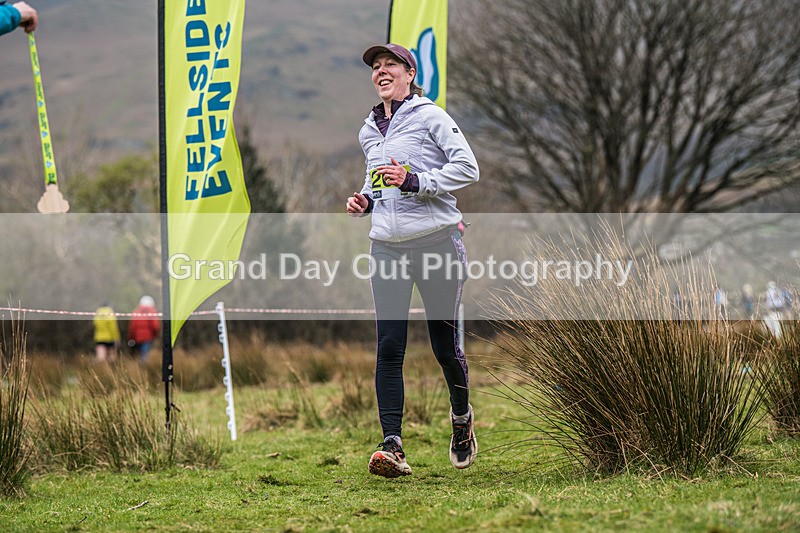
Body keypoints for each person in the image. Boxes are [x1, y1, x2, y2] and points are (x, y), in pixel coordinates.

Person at [346, 43, 480, 478]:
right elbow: (378, 180)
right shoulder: (369, 129)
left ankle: (461, 420)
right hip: (387, 247)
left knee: (444, 347)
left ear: (410, 74)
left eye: (391, 65)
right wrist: (366, 200)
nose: (381, 71)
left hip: (436, 243)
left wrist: (417, 181)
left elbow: (468, 168)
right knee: (389, 346)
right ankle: (392, 446)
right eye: (376, 66)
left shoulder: (430, 116)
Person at [127, 295, 160, 363]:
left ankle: (138, 366)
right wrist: (155, 335)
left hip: (137, 338)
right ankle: (143, 366)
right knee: (145, 354)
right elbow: (155, 326)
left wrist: (132, 337)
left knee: (138, 354)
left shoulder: (136, 312)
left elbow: (132, 327)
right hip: (148, 338)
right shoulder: (152, 312)